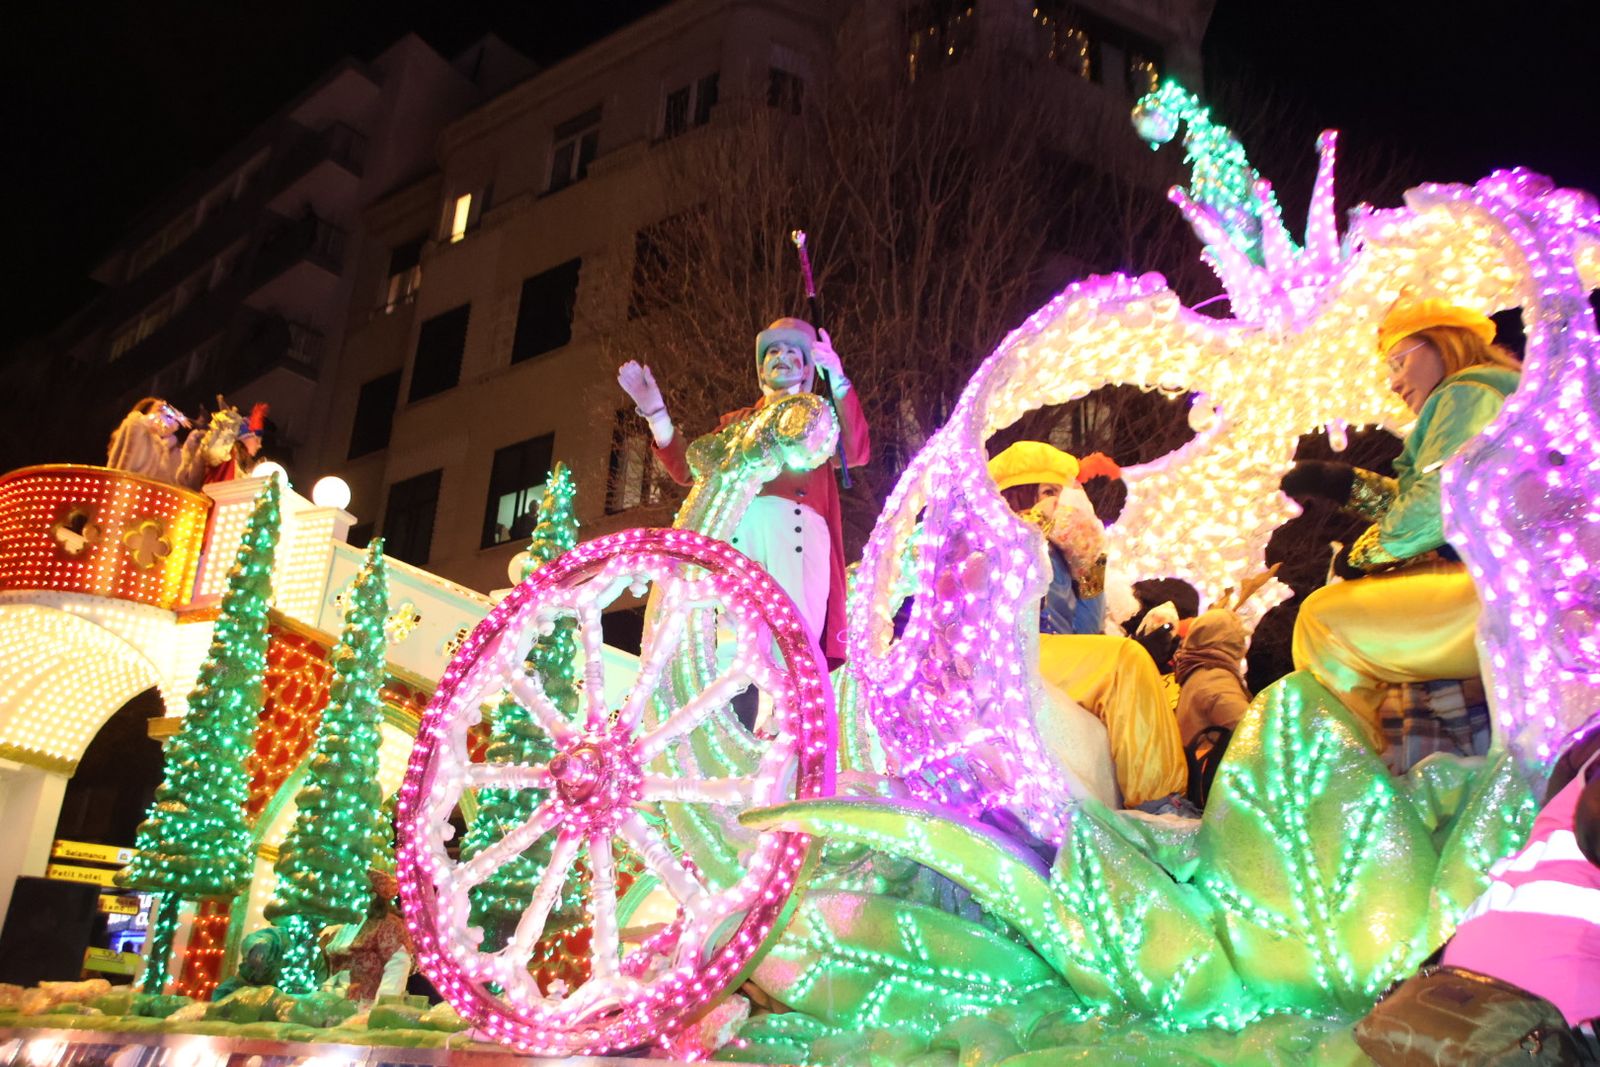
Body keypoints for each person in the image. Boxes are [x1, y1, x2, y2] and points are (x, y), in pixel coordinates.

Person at [1281, 300, 1519, 751]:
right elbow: (1428, 498)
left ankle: (1341, 780)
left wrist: (1364, 555)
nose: (1393, 382)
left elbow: (1436, 505)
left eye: (1400, 360)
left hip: (1503, 591)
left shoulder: (1466, 392)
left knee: (1324, 619)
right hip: (1503, 586)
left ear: (1443, 345)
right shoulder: (1490, 397)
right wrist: (1346, 485)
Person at [617, 318, 870, 664]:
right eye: (772, 352)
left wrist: (838, 381)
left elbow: (855, 451)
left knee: (794, 640)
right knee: (735, 645)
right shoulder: (737, 422)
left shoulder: (818, 416)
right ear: (762, 372)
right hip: (739, 530)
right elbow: (693, 472)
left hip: (794, 532)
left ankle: (795, 710)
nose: (780, 357)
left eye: (792, 352)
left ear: (809, 368)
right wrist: (655, 412)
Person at [988, 441, 1190, 814]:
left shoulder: (1065, 550)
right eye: (1047, 492)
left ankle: (1158, 797)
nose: (1056, 502)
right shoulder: (997, 538)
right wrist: (1036, 528)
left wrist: (1091, 564)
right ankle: (1159, 804)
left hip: (1060, 657)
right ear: (1018, 495)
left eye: (1057, 493)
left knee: (1128, 663)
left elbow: (1087, 629)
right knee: (1124, 660)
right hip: (1014, 654)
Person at [106, 397, 205, 487]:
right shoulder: (133, 427)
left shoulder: (176, 451)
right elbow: (126, 465)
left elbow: (186, 484)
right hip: (130, 495)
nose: (164, 415)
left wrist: (192, 449)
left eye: (167, 412)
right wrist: (149, 422)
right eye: (159, 410)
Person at [203, 401, 269, 484]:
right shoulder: (226, 452)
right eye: (257, 440)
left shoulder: (243, 463)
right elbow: (213, 454)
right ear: (245, 437)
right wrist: (226, 430)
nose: (260, 445)